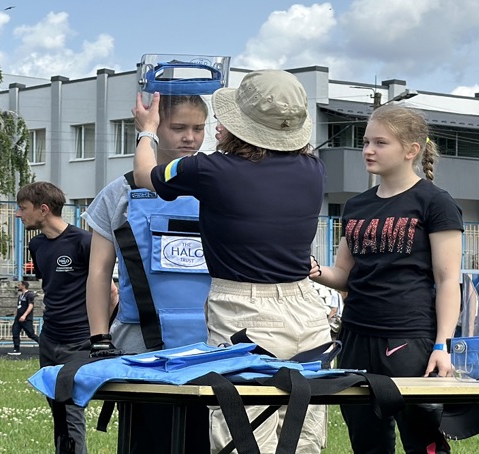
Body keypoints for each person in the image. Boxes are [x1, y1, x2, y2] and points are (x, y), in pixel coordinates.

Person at [132, 69, 331, 453]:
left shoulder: (209, 169)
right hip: (307, 310)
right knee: (303, 430)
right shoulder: (313, 170)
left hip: (243, 308)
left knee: (244, 433)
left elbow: (145, 175)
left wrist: (147, 129)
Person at [311, 104, 463, 454]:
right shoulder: (356, 205)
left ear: (411, 150)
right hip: (355, 337)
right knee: (367, 443)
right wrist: (314, 271)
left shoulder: (435, 203)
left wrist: (442, 345)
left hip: (409, 339)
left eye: (380, 142)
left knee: (422, 442)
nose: (368, 150)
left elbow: (447, 280)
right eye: (366, 141)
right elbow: (345, 276)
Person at [84, 93, 212, 453]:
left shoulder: (220, 189)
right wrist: (99, 340)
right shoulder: (120, 193)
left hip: (213, 348)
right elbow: (98, 272)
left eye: (198, 128)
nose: (190, 137)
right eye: (179, 127)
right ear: (155, 127)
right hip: (140, 351)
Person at [17, 181, 92, 454]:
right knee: (57, 410)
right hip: (50, 339)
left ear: (44, 209)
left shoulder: (84, 242)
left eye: (23, 208)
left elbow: (109, 291)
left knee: (72, 410)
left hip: (79, 342)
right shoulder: (36, 245)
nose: (18, 214)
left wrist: (100, 335)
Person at [9, 281, 40, 355]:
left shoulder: (29, 295)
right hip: (18, 318)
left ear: (23, 286)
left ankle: (45, 345)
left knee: (30, 334)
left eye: (19, 285)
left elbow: (31, 305)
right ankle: (16, 349)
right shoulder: (20, 296)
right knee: (15, 332)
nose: (18, 286)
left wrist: (24, 315)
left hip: (26, 318)